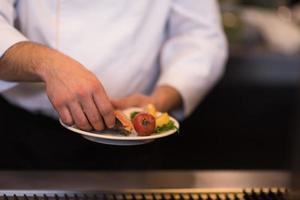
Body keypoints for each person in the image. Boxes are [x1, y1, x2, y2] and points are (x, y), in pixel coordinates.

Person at [0, 0, 227, 168]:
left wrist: (158, 101)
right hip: (28, 138)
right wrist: (48, 64)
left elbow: (200, 36)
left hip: (134, 139)